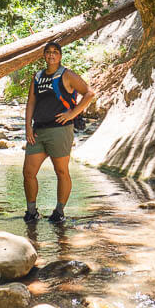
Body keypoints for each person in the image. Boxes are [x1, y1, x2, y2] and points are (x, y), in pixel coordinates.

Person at [22, 41, 95, 222]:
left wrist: (72, 114)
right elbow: (31, 102)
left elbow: (89, 93)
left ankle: (59, 212)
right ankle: (32, 212)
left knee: (61, 172)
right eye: (48, 52)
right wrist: (28, 127)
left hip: (60, 131)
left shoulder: (67, 75)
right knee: (28, 173)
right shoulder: (37, 77)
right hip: (38, 131)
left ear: (60, 56)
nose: (51, 55)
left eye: (55, 52)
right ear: (44, 55)